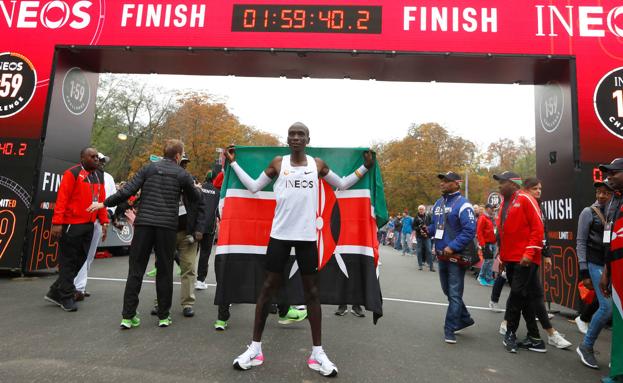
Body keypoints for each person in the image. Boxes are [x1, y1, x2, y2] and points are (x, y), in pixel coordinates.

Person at [227, 122, 374, 377]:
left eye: (300, 134)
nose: (296, 138)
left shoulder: (316, 165)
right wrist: (232, 163)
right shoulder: (277, 162)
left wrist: (365, 167)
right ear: (287, 139)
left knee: (312, 294)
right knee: (266, 290)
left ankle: (317, 353)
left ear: (308, 139)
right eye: (292, 134)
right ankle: (255, 349)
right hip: (279, 236)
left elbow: (341, 184)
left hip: (308, 238)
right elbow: (253, 186)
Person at [88, 139, 200, 329]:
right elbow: (196, 198)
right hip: (166, 227)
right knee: (165, 271)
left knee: (136, 270)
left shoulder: (148, 169)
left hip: (144, 225)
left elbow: (127, 190)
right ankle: (164, 316)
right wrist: (194, 188)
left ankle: (128, 316)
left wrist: (104, 203)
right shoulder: (182, 174)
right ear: (178, 156)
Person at [45, 147, 109, 312]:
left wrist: (104, 221)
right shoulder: (72, 173)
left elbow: (101, 200)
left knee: (80, 261)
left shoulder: (98, 175)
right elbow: (62, 199)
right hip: (71, 225)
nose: (96, 159)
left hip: (89, 225)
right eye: (92, 156)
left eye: (97, 157)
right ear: (82, 158)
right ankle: (65, 297)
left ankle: (55, 290)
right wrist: (57, 222)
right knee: (68, 261)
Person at [517, 178, 572, 350]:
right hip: (520, 257)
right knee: (521, 296)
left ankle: (548, 333)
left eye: (540, 188)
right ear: (526, 189)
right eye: (535, 189)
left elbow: (543, 231)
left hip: (531, 257)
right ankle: (545, 333)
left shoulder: (537, 206)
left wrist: (546, 253)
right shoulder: (522, 204)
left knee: (533, 295)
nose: (539, 191)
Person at [494, 171, 545, 354]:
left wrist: (529, 253)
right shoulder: (503, 204)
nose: (499, 186)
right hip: (511, 258)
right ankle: (536, 338)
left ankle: (510, 333)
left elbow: (538, 228)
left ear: (513, 184)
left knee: (516, 295)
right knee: (524, 297)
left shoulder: (525, 198)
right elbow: (504, 233)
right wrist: (501, 257)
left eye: (502, 182)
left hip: (524, 259)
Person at [428, 171, 476, 344]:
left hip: (456, 256)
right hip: (442, 256)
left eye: (446, 181)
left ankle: (450, 328)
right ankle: (465, 318)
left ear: (457, 183)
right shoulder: (438, 203)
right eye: (441, 180)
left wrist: (452, 246)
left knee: (454, 294)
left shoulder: (464, 204)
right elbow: (435, 226)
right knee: (448, 292)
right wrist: (428, 231)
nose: (442, 183)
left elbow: (470, 231)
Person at [575, 170, 616, 369]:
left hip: (613, 265)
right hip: (595, 264)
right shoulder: (588, 212)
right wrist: (584, 271)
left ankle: (616, 358)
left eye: (605, 192)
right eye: (598, 192)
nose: (601, 195)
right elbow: (581, 242)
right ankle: (586, 346)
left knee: (615, 310)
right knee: (607, 308)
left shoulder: (617, 211)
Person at [73, 152, 116, 301]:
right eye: (98, 159)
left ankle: (80, 286)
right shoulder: (81, 175)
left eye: (103, 160)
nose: (100, 162)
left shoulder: (108, 178)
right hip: (83, 220)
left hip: (98, 220)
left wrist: (107, 218)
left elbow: (110, 200)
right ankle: (78, 287)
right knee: (81, 254)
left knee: (89, 255)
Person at [599, 158, 623, 382]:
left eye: (614, 173)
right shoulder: (613, 202)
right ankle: (618, 372)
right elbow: (610, 239)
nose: (609, 178)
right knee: (619, 321)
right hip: (615, 268)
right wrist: (607, 271)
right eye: (607, 174)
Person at [196, 170, 221, 291]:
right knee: (204, 254)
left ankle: (188, 275)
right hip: (210, 227)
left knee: (191, 252)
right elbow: (218, 211)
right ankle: (200, 280)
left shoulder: (199, 188)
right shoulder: (218, 192)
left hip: (196, 226)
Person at [476, 203, 496, 286]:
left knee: (490, 262)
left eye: (493, 209)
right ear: (487, 208)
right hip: (487, 243)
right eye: (492, 209)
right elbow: (479, 232)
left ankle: (488, 278)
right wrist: (482, 244)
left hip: (492, 242)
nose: (493, 210)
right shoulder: (483, 218)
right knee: (487, 261)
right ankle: (481, 277)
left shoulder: (490, 218)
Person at [414, 205, 433, 271]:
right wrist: (419, 228)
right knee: (419, 251)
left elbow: (432, 224)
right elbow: (413, 227)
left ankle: (431, 266)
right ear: (418, 210)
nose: (421, 210)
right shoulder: (416, 217)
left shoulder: (428, 216)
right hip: (419, 236)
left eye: (422, 209)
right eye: (420, 209)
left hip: (427, 236)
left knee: (429, 250)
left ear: (424, 210)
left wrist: (427, 228)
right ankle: (420, 265)